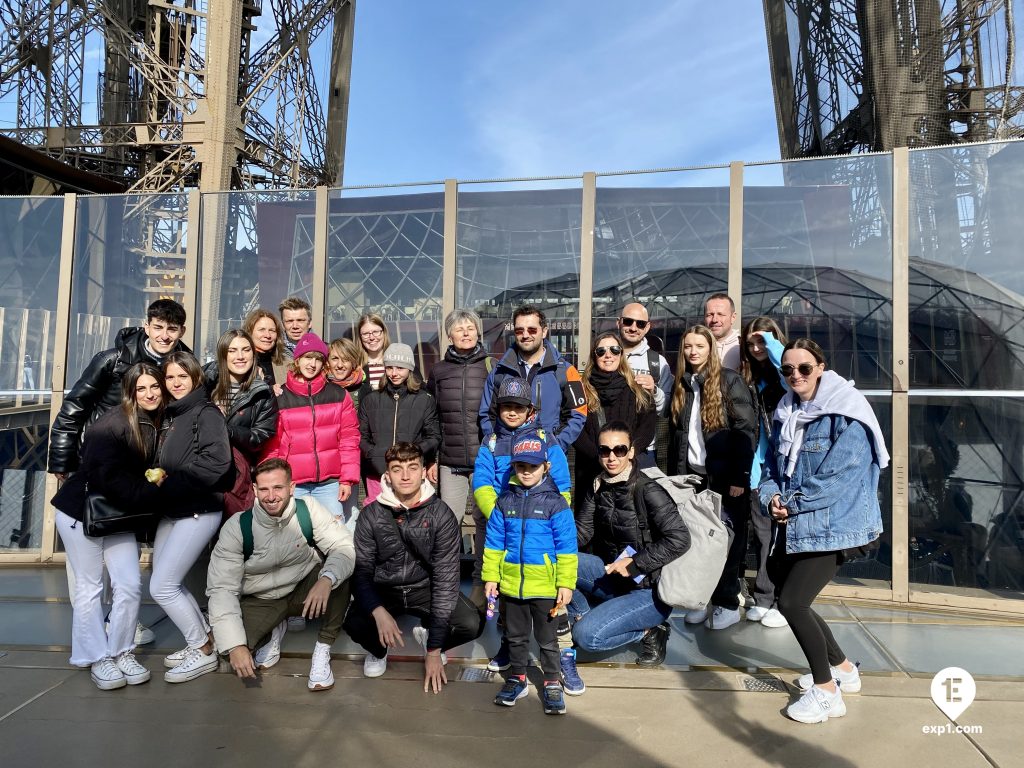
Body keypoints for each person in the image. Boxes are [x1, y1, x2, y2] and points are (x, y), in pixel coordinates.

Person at [758, 338, 889, 723]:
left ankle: (827, 691)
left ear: (821, 367)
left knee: (792, 603)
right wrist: (771, 499)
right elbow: (771, 470)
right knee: (795, 599)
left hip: (837, 526)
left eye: (803, 368)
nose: (795, 376)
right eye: (787, 370)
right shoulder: (787, 411)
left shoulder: (848, 412)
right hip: (798, 522)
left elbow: (839, 478)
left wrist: (790, 504)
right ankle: (845, 671)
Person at [48, 297, 190, 647]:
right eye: (158, 327)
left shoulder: (179, 363)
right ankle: (94, 634)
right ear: (147, 325)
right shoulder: (112, 360)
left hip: (138, 470)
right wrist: (63, 464)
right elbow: (74, 409)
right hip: (98, 464)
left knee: (121, 554)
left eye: (172, 329)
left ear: (181, 331)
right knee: (90, 567)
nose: (164, 335)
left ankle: (118, 621)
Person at [51, 363, 165, 690]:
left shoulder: (151, 419)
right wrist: (149, 491)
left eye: (154, 387)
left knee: (129, 584)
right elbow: (105, 474)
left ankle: (122, 651)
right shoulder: (112, 423)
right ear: (130, 392)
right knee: (90, 588)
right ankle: (97, 657)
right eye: (141, 388)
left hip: (116, 515)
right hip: (80, 513)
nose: (149, 393)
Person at [343, 443, 484, 693]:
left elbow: (445, 580)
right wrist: (378, 611)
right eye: (397, 469)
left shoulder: (441, 514)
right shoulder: (370, 515)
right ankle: (379, 651)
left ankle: (428, 635)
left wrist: (434, 650)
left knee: (471, 623)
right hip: (385, 588)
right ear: (387, 475)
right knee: (354, 623)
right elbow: (362, 572)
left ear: (422, 471)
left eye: (412, 467)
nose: (405, 476)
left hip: (424, 586)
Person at [206, 458, 356, 692]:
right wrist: (235, 646)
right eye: (263, 489)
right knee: (230, 654)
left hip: (302, 588)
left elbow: (343, 547)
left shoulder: (308, 509)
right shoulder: (238, 526)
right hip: (261, 598)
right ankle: (274, 629)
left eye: (278, 487)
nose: (271, 496)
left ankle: (323, 649)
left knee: (340, 576)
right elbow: (221, 588)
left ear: (291, 487)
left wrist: (326, 579)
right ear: (255, 490)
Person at [571, 421, 690, 667]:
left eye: (619, 450)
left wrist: (635, 563)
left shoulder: (648, 489)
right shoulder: (598, 485)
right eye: (605, 451)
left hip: (650, 592)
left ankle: (650, 632)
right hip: (615, 579)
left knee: (587, 637)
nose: (611, 457)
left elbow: (680, 538)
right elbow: (581, 533)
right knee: (553, 562)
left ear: (631, 452)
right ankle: (581, 615)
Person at [669, 325, 756, 631]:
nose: (693, 352)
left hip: (726, 478)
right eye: (688, 347)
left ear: (711, 350)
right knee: (698, 543)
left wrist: (739, 477)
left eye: (700, 346)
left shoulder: (729, 381)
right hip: (694, 477)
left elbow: (746, 431)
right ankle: (702, 600)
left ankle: (727, 603)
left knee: (727, 543)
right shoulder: (684, 384)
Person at [483, 434, 578, 715]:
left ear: (545, 467)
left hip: (545, 588)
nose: (526, 471)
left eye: (533, 466)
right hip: (512, 586)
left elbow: (567, 548)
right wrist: (491, 577)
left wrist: (565, 583)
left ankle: (551, 682)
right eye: (521, 465)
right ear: (513, 466)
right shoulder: (504, 501)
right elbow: (494, 544)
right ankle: (518, 677)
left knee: (548, 640)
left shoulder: (557, 504)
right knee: (515, 636)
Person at [154, 351, 233, 683]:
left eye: (181, 377)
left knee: (162, 586)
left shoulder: (204, 412)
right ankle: (203, 640)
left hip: (197, 509)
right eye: (170, 377)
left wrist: (173, 482)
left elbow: (218, 462)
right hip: (174, 510)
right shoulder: (173, 415)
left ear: (196, 378)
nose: (175, 383)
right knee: (169, 582)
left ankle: (202, 650)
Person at [260, 332, 360, 527]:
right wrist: (273, 480)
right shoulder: (280, 396)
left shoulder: (339, 395)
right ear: (297, 360)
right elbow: (273, 444)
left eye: (318, 359)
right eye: (307, 357)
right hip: (293, 484)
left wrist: (346, 479)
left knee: (336, 538)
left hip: (329, 485)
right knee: (295, 539)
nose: (312, 364)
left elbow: (349, 439)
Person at [479, 304, 587, 452]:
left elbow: (577, 414)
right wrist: (497, 447)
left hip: (548, 458)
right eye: (519, 330)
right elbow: (487, 414)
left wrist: (555, 446)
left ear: (544, 331)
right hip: (506, 459)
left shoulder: (566, 371)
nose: (525, 335)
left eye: (532, 330)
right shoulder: (499, 372)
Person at [740, 316, 789, 629]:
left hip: (784, 468)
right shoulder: (748, 378)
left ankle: (783, 602)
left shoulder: (787, 376)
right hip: (758, 471)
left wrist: (771, 342)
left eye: (763, 342)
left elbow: (786, 368)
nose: (757, 347)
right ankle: (764, 597)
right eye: (752, 342)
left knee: (781, 538)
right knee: (762, 537)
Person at [574, 332, 656, 510]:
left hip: (628, 472)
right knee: (589, 528)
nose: (608, 355)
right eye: (601, 351)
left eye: (614, 349)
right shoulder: (581, 391)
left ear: (621, 354)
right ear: (594, 356)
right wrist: (602, 456)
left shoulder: (639, 391)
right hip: (590, 472)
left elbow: (647, 428)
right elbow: (575, 429)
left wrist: (625, 455)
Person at [426, 309, 492, 526]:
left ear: (478, 333)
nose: (465, 334)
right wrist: (431, 459)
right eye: (459, 329)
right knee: (448, 521)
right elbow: (432, 417)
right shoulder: (438, 371)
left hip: (485, 459)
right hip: (449, 462)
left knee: (485, 519)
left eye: (470, 328)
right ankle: (449, 562)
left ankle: (482, 562)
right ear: (449, 335)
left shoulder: (491, 367)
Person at [204, 329, 279, 516]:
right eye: (232, 350)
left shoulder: (263, 393)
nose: (240, 356)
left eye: (245, 350)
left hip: (237, 477)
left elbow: (260, 437)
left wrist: (227, 429)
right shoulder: (205, 385)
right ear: (223, 355)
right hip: (203, 473)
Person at [357, 342, 441, 505]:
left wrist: (411, 455)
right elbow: (361, 435)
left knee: (410, 520)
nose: (394, 373)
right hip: (377, 473)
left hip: (410, 474)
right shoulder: (371, 400)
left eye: (400, 368)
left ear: (409, 369)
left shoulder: (424, 400)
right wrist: (374, 455)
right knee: (379, 523)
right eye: (389, 367)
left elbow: (433, 436)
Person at [617, 303, 673, 465]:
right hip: (609, 450)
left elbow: (666, 410)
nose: (634, 328)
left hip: (644, 449)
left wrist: (654, 390)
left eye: (640, 324)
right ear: (618, 322)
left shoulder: (657, 362)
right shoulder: (606, 355)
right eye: (628, 321)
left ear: (647, 327)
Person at [243, 308, 288, 386]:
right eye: (261, 330)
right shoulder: (239, 363)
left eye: (272, 330)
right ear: (249, 333)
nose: (267, 335)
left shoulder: (287, 365)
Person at [327, 337, 367, 410]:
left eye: (345, 359)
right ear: (328, 361)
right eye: (335, 358)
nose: (340, 365)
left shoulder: (364, 389)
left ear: (353, 363)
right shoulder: (321, 387)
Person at [704, 293, 741, 372]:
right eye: (710, 315)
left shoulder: (744, 347)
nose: (714, 320)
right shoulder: (696, 347)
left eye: (720, 314)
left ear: (733, 317)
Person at [356, 312, 390, 392]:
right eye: (365, 334)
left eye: (376, 332)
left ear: (384, 333)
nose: (371, 337)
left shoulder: (398, 362)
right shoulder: (355, 366)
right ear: (360, 337)